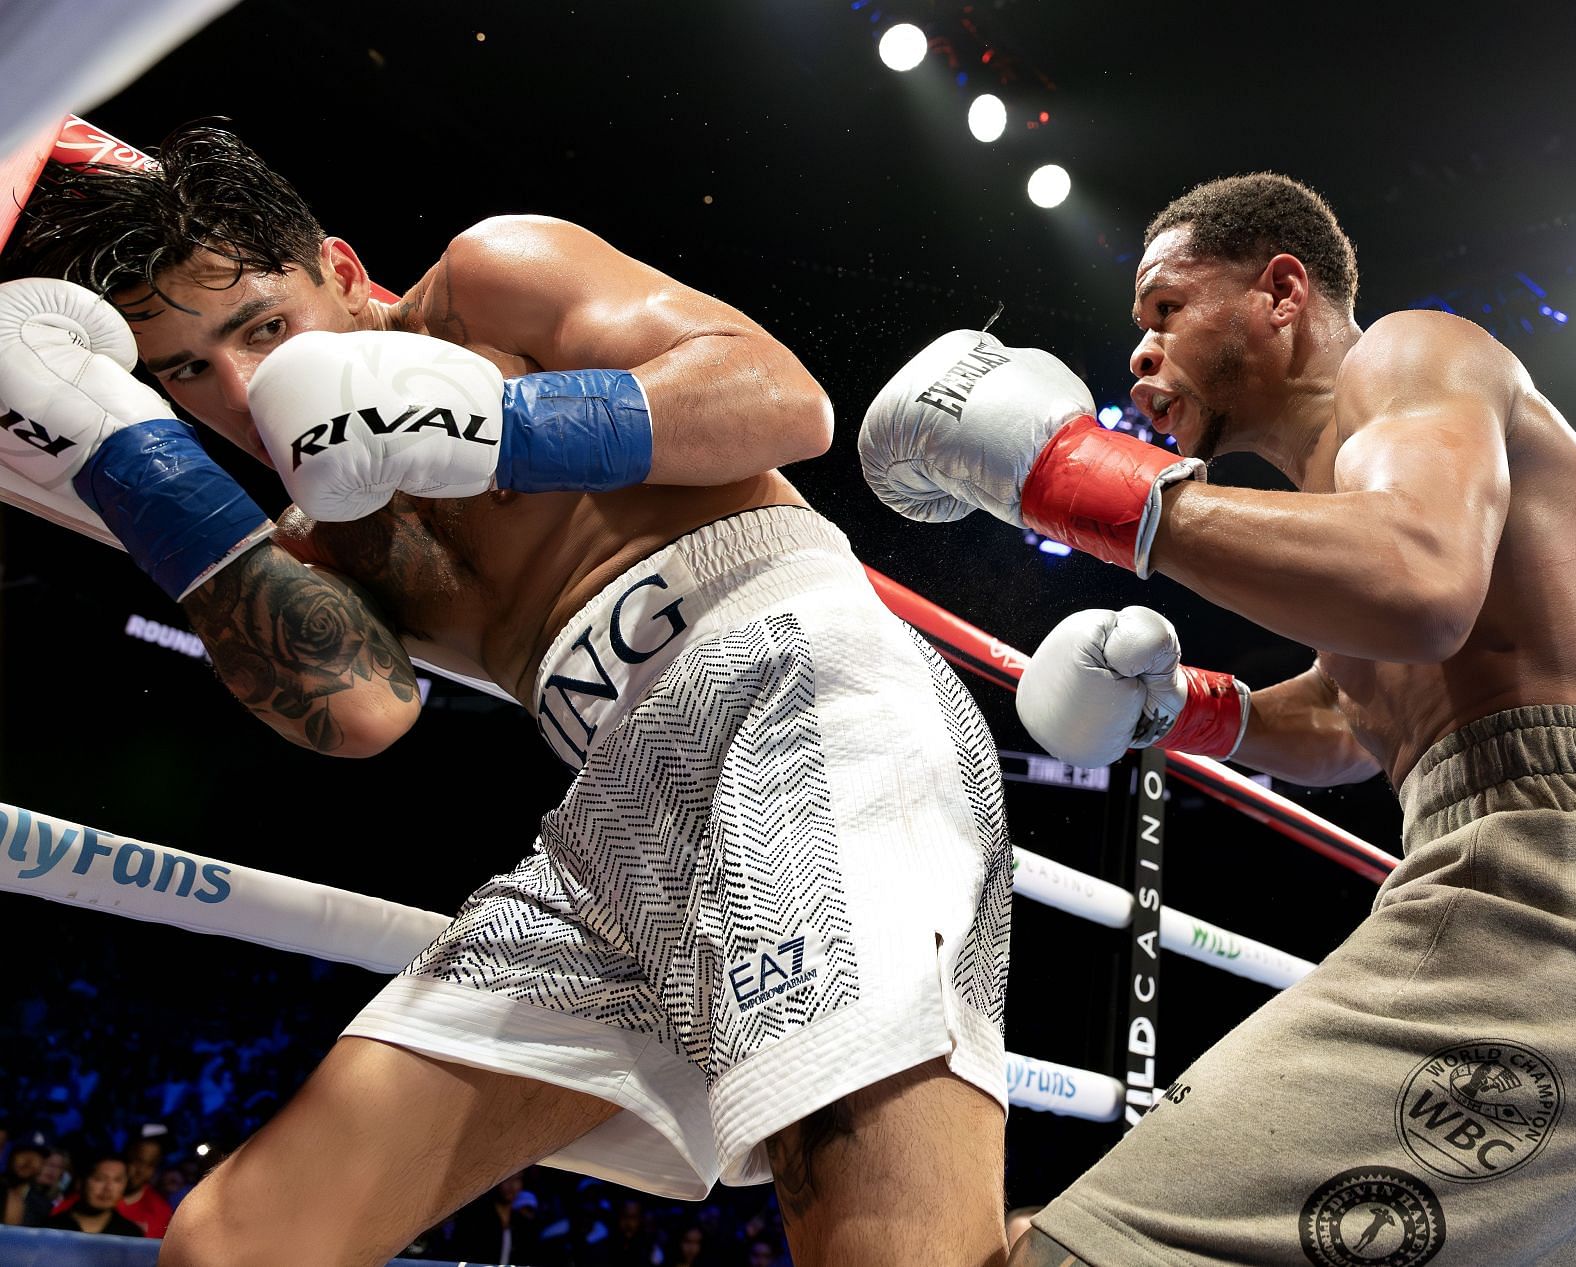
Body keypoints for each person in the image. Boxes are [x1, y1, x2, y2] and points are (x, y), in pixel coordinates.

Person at [0, 123, 1012, 1267]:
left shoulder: (489, 282)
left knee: (894, 1250)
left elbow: (785, 403)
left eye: (263, 328)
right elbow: (362, 709)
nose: (238, 390)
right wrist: (135, 464)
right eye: (183, 373)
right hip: (611, 828)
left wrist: (495, 428)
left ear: (339, 270)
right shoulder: (312, 544)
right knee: (237, 1243)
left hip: (796, 695)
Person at [860, 172, 1576, 1266]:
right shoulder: (1345, 507)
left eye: (1166, 310)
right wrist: (1183, 710)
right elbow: (1353, 713)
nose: (1139, 353)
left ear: (1281, 291)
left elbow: (1419, 582)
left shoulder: (1413, 359)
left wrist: (1074, 478)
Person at [42, 1155, 146, 1237]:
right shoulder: (51, 1230)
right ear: (80, 1182)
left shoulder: (130, 1235)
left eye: (117, 1180)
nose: (108, 1188)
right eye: (99, 1179)